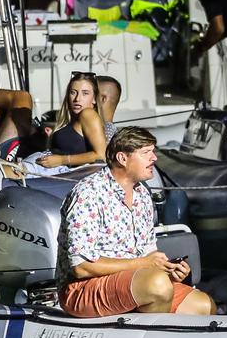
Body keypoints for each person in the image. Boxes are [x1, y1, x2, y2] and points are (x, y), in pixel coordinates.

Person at [57, 126, 216, 317]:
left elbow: (148, 255)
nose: (154, 158)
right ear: (122, 158)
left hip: (134, 281)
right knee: (157, 285)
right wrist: (143, 265)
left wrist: (170, 270)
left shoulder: (143, 194)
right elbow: (81, 267)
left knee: (205, 306)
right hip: (81, 289)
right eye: (146, 153)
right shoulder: (88, 194)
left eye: (153, 152)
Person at [27, 73, 109, 169]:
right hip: (37, 167)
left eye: (85, 93)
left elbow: (101, 155)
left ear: (94, 98)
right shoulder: (71, 120)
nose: (77, 99)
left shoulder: (88, 114)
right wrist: (50, 139)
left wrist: (62, 160)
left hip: (46, 173)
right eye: (73, 92)